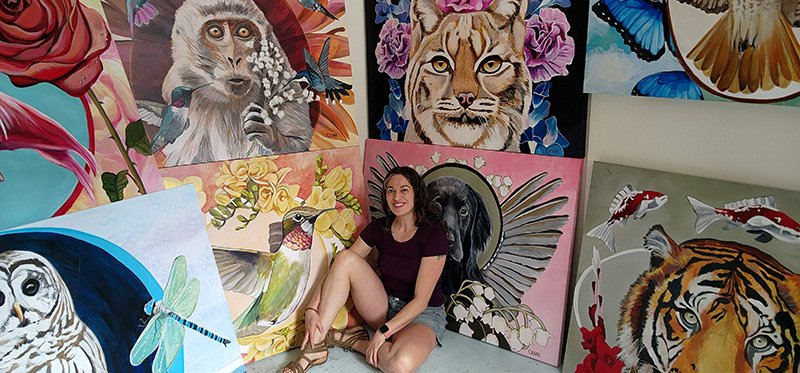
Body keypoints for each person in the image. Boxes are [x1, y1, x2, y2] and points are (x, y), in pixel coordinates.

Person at [282, 166, 449, 373]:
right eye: (390, 190)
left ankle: (353, 341)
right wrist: (312, 309)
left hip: (423, 314)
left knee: (400, 365)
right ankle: (314, 346)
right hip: (383, 305)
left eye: (404, 189)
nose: (396, 196)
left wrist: (383, 332)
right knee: (345, 258)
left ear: (417, 193)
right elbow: (341, 267)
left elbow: (421, 300)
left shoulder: (433, 235)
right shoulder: (380, 227)